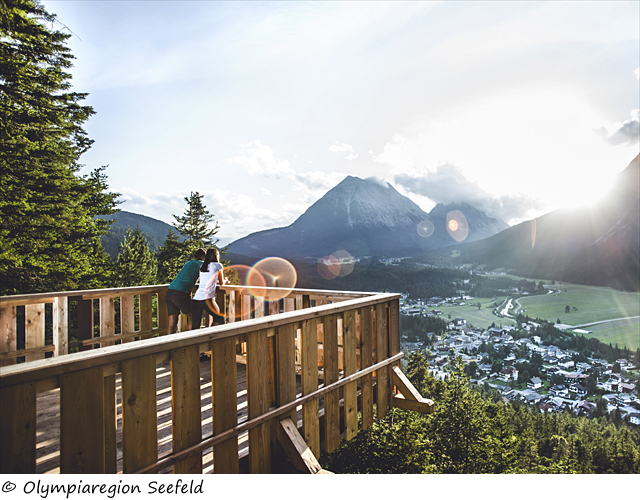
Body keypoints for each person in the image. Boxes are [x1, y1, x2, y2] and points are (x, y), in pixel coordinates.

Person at [165, 248, 206, 334]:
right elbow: (207, 278)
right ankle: (192, 338)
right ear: (203, 257)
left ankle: (168, 344)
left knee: (172, 322)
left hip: (170, 292)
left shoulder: (189, 262)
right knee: (194, 314)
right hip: (180, 293)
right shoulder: (202, 264)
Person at [192, 247, 228, 328]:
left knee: (195, 326)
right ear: (215, 256)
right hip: (207, 299)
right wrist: (225, 280)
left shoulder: (203, 266)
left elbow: (207, 280)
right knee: (219, 319)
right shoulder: (218, 265)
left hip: (196, 299)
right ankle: (212, 336)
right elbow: (222, 282)